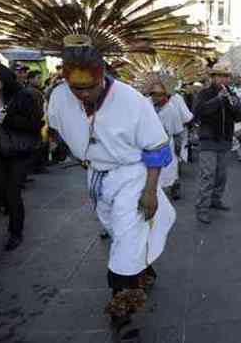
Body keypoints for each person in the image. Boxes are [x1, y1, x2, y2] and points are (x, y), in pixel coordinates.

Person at [48, 44, 176, 334]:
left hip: (131, 176)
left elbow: (156, 148)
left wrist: (151, 191)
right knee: (121, 236)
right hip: (96, 177)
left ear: (103, 74)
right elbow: (57, 127)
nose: (82, 95)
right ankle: (143, 268)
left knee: (126, 242)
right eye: (75, 88)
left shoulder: (132, 101)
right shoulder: (59, 95)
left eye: (89, 88)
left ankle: (122, 312)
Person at [0, 63, 43, 251]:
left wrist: (8, 120)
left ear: (4, 79)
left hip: (18, 152)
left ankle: (15, 232)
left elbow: (34, 124)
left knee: (13, 192)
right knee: (2, 191)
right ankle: (12, 216)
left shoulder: (21, 97)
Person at [193, 62, 241, 224]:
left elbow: (240, 116)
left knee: (221, 175)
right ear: (213, 78)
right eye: (221, 76)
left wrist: (235, 104)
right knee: (207, 175)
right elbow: (199, 113)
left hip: (225, 140)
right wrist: (218, 100)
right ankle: (202, 207)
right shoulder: (204, 93)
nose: (225, 80)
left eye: (227, 77)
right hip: (208, 140)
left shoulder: (232, 93)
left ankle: (215, 200)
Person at [146, 78, 189, 200]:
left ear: (165, 94)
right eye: (153, 94)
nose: (156, 97)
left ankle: (173, 187)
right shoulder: (144, 104)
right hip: (147, 144)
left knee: (169, 169)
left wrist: (178, 149)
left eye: (159, 95)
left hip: (166, 144)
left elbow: (177, 132)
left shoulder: (171, 109)